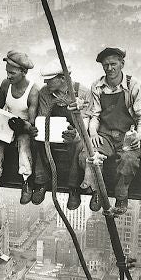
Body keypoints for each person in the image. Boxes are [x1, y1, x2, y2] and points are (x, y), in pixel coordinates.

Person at [77, 47, 141, 215]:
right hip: (106, 134)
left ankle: (121, 196)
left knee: (128, 160)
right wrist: (93, 133)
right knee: (89, 154)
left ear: (122, 64)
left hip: (129, 135)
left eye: (113, 64)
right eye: (105, 65)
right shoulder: (97, 86)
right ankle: (96, 190)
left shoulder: (134, 86)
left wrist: (138, 135)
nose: (109, 69)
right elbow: (95, 115)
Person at [32, 61, 91, 209]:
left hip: (75, 133)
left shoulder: (82, 92)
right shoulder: (45, 93)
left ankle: (73, 187)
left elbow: (85, 123)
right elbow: (43, 117)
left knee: (78, 145)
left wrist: (75, 134)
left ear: (63, 78)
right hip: (52, 131)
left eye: (50, 79)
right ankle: (41, 181)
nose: (45, 82)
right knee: (38, 141)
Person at [0, 50, 39, 204]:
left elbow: (32, 122)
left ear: (23, 72)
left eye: (12, 73)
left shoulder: (32, 91)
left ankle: (26, 180)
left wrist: (23, 125)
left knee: (24, 145)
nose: (8, 76)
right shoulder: (5, 85)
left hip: (23, 128)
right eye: (7, 72)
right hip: (7, 123)